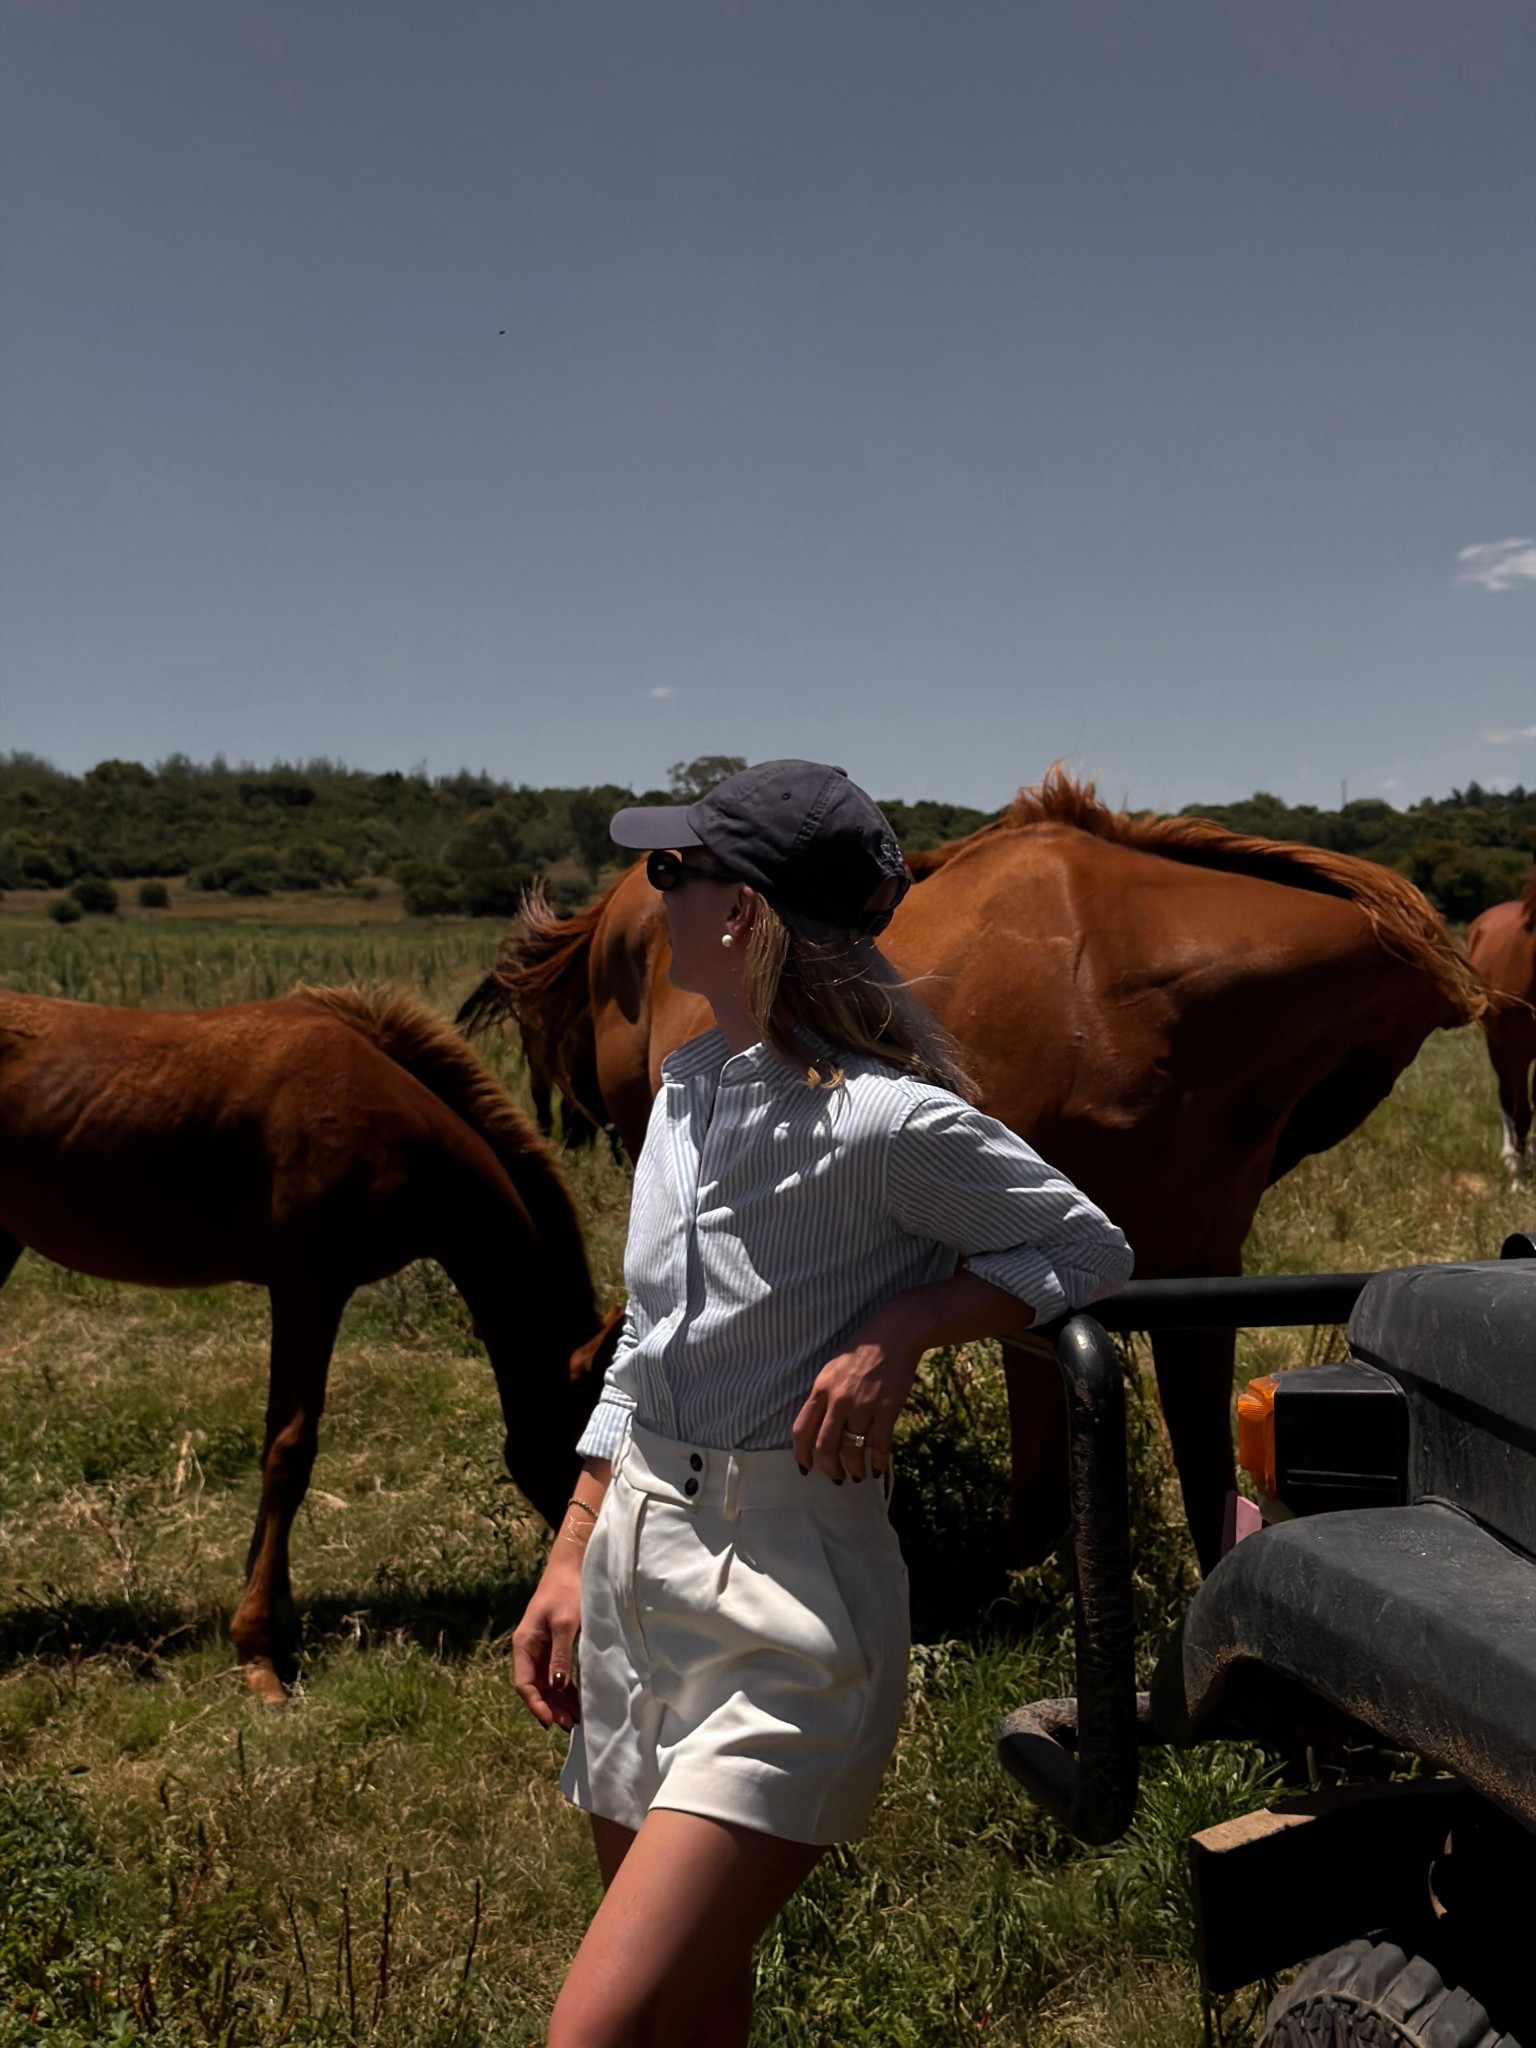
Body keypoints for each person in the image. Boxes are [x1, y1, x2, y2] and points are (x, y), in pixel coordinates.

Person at [512, 760, 1133, 2048]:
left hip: (783, 1604)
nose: (653, 889)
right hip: (638, 1566)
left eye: (674, 870)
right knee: (692, 2007)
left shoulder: (886, 1123)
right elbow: (648, 1348)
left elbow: (1089, 1251)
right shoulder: (686, 1093)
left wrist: (908, 1325)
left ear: (742, 912)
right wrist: (572, 1548)